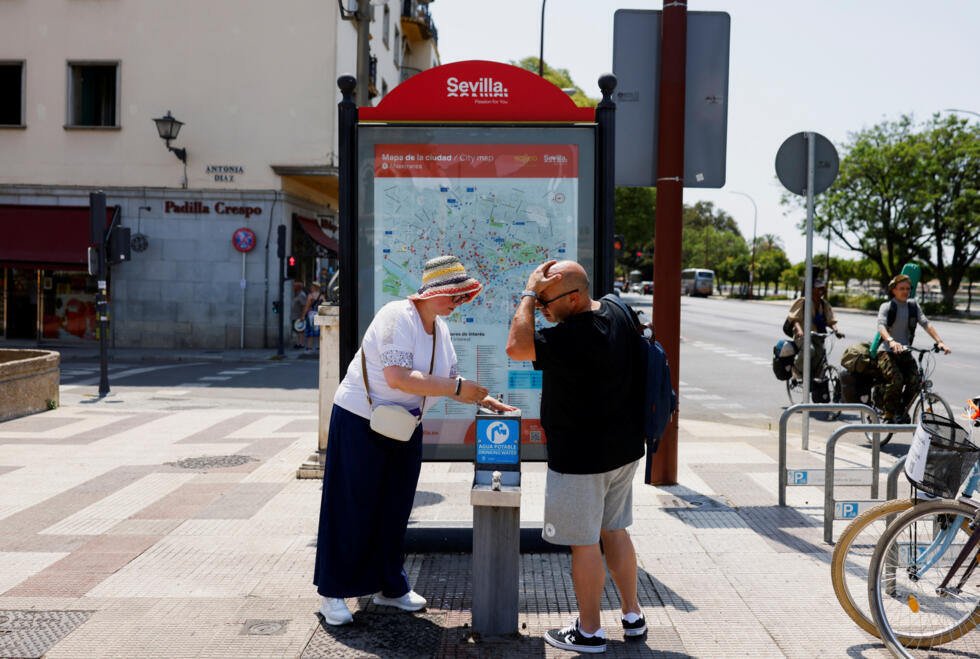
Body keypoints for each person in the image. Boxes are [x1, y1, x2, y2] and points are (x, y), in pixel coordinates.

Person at [313, 255, 513, 626]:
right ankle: (333, 591)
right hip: (361, 419)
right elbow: (399, 378)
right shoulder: (397, 316)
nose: (459, 302)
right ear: (433, 292)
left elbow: (449, 377)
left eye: (463, 295)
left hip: (404, 426)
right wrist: (458, 389)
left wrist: (481, 398)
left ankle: (390, 585)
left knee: (395, 506)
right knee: (351, 505)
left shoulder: (440, 328)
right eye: (455, 294)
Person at [505, 259, 646, 654]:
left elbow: (516, 346)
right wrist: (540, 293)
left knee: (584, 544)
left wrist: (528, 291)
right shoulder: (616, 310)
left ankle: (589, 632)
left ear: (575, 296)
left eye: (546, 301)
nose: (541, 310)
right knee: (614, 531)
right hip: (624, 451)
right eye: (539, 302)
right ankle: (632, 615)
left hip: (582, 458)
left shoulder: (572, 338)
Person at [875, 274, 951, 421]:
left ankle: (901, 409)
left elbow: (926, 323)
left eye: (908, 289)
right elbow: (881, 326)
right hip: (887, 351)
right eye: (901, 288)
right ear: (894, 290)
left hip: (904, 351)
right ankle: (889, 414)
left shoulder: (913, 306)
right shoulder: (887, 307)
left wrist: (940, 341)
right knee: (897, 379)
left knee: (916, 382)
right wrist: (891, 341)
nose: (905, 291)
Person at [785, 279, 843, 378]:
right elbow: (794, 319)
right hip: (802, 334)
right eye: (819, 288)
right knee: (810, 350)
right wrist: (799, 330)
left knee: (820, 354)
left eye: (822, 288)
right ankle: (796, 368)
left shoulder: (823, 304)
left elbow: (830, 320)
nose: (821, 290)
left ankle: (811, 375)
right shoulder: (803, 302)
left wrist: (836, 330)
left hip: (816, 334)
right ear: (812, 289)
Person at [302, 282, 323, 352]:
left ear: (315, 288)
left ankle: (309, 347)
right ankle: (319, 347)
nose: (311, 288)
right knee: (319, 331)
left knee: (310, 331)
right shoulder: (322, 296)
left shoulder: (310, 296)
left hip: (311, 314)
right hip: (319, 314)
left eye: (312, 287)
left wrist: (303, 315)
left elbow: (307, 306)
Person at [290, 280, 308, 349]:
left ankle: (301, 344)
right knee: (297, 330)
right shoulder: (297, 294)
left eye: (295, 286)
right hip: (295, 315)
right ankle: (298, 343)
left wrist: (302, 316)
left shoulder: (301, 295)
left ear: (298, 287)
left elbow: (304, 306)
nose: (293, 287)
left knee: (300, 330)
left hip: (299, 316)